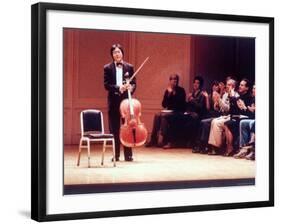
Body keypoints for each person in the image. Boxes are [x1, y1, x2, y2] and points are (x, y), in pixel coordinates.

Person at [104, 44, 136, 162]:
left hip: (126, 103)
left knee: (127, 128)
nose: (117, 54)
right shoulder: (107, 68)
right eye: (114, 52)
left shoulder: (129, 67)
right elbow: (106, 85)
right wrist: (119, 88)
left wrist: (130, 88)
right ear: (112, 55)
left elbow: (134, 84)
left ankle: (128, 155)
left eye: (119, 52)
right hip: (113, 102)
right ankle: (115, 154)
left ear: (122, 53)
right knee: (114, 129)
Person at [163, 76, 206, 149]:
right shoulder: (192, 93)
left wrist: (192, 100)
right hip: (189, 113)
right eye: (194, 82)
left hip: (196, 115)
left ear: (200, 85)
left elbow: (200, 107)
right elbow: (186, 105)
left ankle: (173, 142)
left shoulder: (202, 94)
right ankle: (173, 142)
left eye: (197, 83)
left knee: (175, 118)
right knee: (174, 118)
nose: (195, 84)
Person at [145, 74, 186, 147]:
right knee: (157, 115)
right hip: (169, 111)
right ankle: (153, 139)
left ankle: (164, 139)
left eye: (175, 79)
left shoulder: (181, 90)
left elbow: (180, 104)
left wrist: (173, 93)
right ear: (170, 81)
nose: (174, 80)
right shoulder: (167, 91)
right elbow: (164, 105)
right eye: (172, 79)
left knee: (164, 116)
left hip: (178, 111)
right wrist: (169, 94)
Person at [208, 77, 239, 155]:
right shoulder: (225, 95)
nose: (227, 86)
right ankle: (215, 146)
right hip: (224, 115)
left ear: (233, 86)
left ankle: (217, 147)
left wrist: (219, 100)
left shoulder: (236, 95)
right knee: (214, 121)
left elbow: (228, 109)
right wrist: (217, 103)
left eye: (229, 85)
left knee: (217, 122)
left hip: (231, 116)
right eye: (227, 84)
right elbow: (222, 109)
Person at [223, 79, 254, 156]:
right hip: (238, 117)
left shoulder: (249, 97)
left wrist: (244, 107)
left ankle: (232, 148)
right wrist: (232, 99)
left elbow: (247, 112)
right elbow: (233, 110)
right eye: (240, 84)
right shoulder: (240, 96)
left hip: (246, 117)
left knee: (228, 123)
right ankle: (229, 148)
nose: (239, 86)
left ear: (247, 88)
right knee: (227, 123)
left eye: (242, 85)